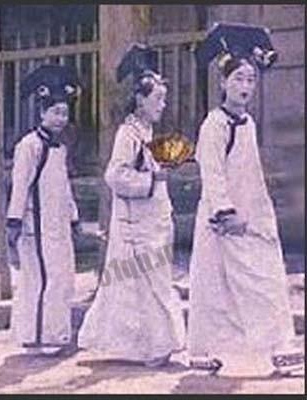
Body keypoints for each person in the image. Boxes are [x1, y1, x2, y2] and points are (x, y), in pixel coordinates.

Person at [188, 23, 304, 376]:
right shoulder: (214, 125)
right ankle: (202, 351)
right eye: (238, 78)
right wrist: (226, 212)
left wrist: (260, 213)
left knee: (266, 279)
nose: (245, 86)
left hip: (251, 217)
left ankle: (281, 347)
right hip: (223, 220)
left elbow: (250, 174)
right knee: (213, 285)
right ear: (223, 82)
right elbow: (212, 173)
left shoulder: (248, 124)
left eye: (251, 79)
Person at [77, 44, 185, 367]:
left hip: (153, 219)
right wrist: (151, 181)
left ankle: (154, 344)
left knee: (155, 280)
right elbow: (114, 175)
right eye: (157, 99)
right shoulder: (128, 134)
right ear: (140, 99)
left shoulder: (147, 133)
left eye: (163, 99)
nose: (162, 105)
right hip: (135, 223)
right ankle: (149, 346)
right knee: (141, 284)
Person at [6, 65, 82, 356]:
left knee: (62, 276)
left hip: (58, 224)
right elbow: (20, 185)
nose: (61, 118)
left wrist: (73, 216)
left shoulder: (60, 148)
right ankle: (37, 336)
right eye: (55, 112)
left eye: (64, 113)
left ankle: (56, 333)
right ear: (42, 113)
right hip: (34, 225)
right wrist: (14, 220)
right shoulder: (29, 146)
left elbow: (64, 186)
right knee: (41, 278)